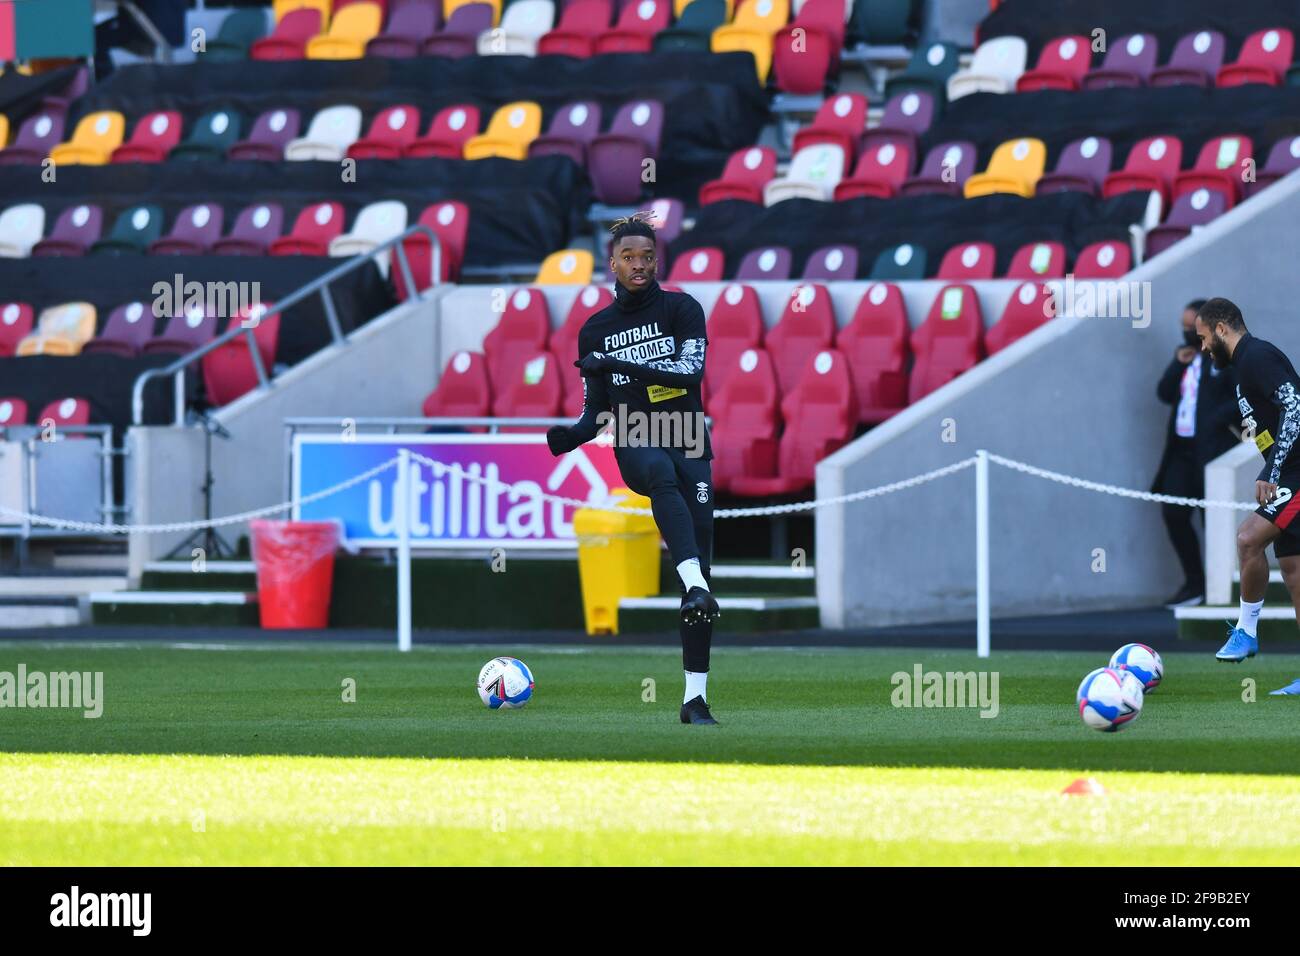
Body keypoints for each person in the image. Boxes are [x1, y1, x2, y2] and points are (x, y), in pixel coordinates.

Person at [545, 212, 723, 723]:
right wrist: (572, 437)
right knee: (659, 477)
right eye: (629, 256)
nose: (639, 264)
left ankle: (695, 698)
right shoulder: (595, 329)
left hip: (688, 436)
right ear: (612, 263)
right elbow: (596, 411)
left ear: (656, 259)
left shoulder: (683, 309)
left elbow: (691, 373)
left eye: (647, 255)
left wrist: (618, 365)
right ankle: (691, 583)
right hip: (636, 435)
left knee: (703, 582)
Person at [1196, 297, 1300, 694]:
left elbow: (1295, 407)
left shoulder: (1257, 355)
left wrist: (1272, 471)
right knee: (1293, 573)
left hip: (1296, 473)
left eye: (1204, 337)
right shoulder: (1244, 367)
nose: (1203, 347)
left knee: (1247, 537)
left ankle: (1246, 630)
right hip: (1288, 469)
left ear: (1222, 328)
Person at [1151, 298, 1239, 607]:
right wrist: (1179, 362)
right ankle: (1194, 582)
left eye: (1193, 328)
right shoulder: (1185, 356)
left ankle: (1219, 589)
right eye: (1184, 327)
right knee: (1173, 513)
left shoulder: (1223, 357)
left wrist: (1216, 417)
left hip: (1212, 451)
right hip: (1181, 452)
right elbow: (1163, 393)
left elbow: (1240, 397)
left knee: (1211, 519)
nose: (1187, 333)